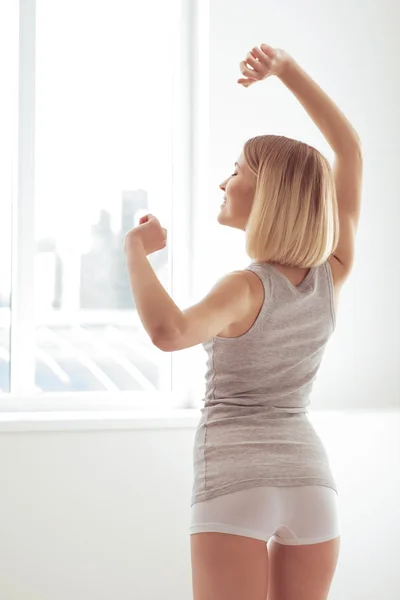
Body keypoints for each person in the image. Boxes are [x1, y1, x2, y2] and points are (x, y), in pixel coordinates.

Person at [124, 42, 362, 600]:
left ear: (269, 194)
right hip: (312, 483)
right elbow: (348, 151)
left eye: (235, 171)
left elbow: (170, 333)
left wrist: (136, 251)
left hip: (235, 480)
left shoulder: (246, 287)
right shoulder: (332, 275)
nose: (224, 183)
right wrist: (287, 72)